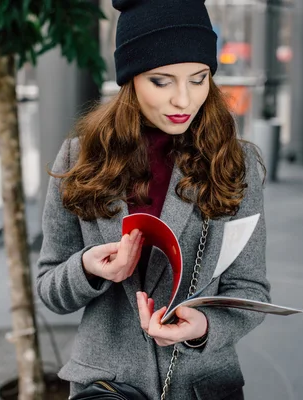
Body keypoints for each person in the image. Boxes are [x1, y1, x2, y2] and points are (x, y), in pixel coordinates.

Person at [37, 1, 270, 399]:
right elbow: (49, 287)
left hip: (202, 384)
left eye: (198, 79)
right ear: (130, 80)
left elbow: (251, 291)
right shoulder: (81, 157)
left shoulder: (236, 161)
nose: (184, 100)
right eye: (162, 82)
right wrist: (89, 269)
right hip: (106, 385)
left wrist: (204, 327)